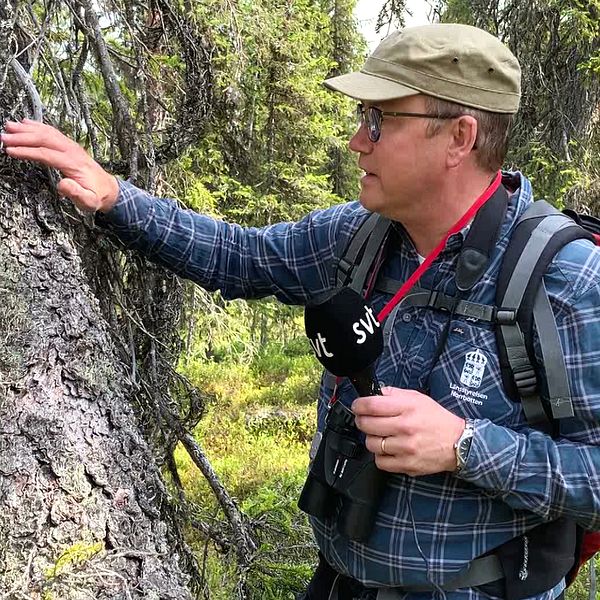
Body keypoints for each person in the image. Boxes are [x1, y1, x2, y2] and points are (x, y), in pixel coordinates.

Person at [2, 22, 600, 600]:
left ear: (460, 138)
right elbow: (238, 256)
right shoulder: (359, 237)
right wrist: (113, 196)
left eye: (379, 120)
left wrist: (465, 446)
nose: (356, 140)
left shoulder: (565, 279)